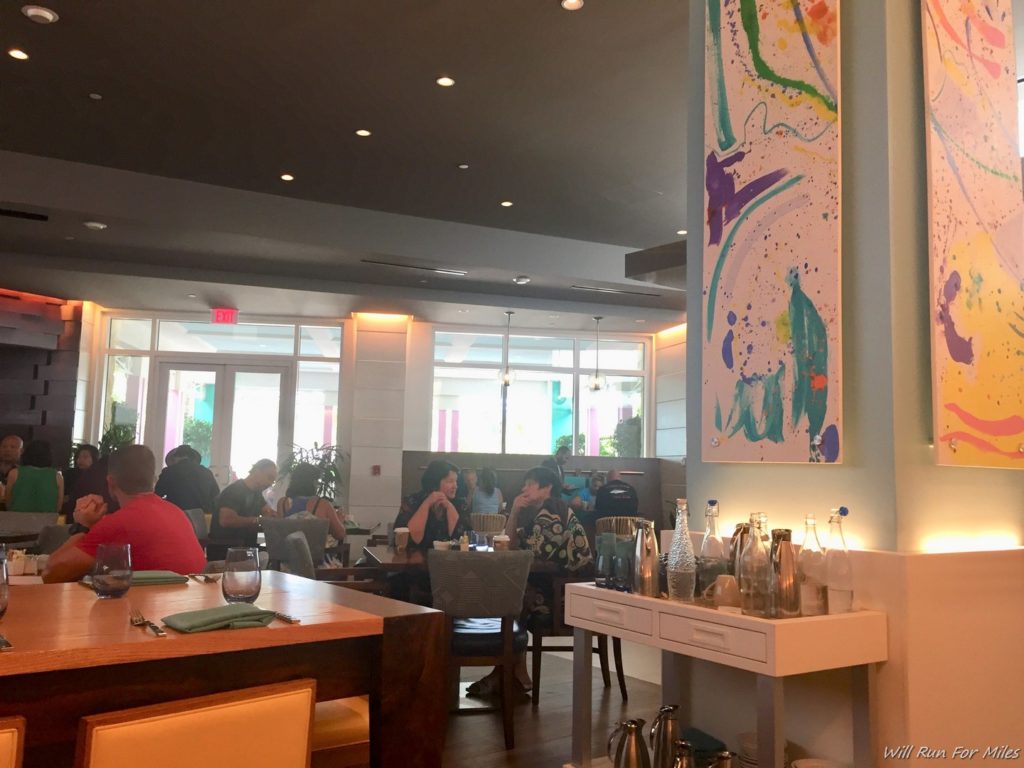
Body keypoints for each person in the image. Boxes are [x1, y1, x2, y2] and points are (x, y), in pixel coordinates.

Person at [469, 465, 593, 699]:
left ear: (547, 488)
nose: (523, 488)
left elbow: (534, 556)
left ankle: (507, 672)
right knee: (513, 594)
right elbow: (507, 544)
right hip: (549, 583)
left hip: (566, 592)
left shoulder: (552, 512)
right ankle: (512, 672)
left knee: (513, 597)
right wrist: (514, 511)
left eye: (530, 484)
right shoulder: (534, 512)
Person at [42, 445, 207, 582]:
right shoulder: (175, 512)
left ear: (110, 481)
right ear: (154, 480)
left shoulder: (119, 523)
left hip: (153, 615)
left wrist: (83, 526)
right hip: (193, 609)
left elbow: (50, 573)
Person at [207, 458, 280, 560]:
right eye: (269, 478)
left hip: (243, 544)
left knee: (269, 549)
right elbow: (226, 520)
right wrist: (258, 520)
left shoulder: (256, 493)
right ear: (257, 472)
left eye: (273, 481)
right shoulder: (235, 491)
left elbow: (267, 511)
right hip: (227, 547)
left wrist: (272, 516)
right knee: (269, 553)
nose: (270, 483)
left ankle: (264, 561)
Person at [394, 459, 471, 550]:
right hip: (415, 560)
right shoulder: (413, 501)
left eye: (456, 481)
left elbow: (461, 540)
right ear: (435, 482)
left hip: (451, 560)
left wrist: (450, 508)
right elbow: (409, 540)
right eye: (450, 481)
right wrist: (426, 504)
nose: (455, 486)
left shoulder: (460, 504)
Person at [276, 462, 347, 554]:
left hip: (288, 561)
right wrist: (340, 520)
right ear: (313, 482)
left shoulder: (282, 503)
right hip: (317, 562)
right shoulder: (323, 504)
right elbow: (340, 535)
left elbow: (281, 533)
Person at [155, 444, 221, 515]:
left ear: (176, 457)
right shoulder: (206, 472)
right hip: (202, 519)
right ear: (194, 458)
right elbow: (216, 495)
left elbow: (157, 495)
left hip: (177, 515)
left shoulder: (168, 472)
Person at [5, 439, 63, 513]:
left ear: (26, 454)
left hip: (17, 521)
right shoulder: (58, 477)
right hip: (46, 522)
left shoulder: (14, 473)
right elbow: (58, 507)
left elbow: (8, 503)